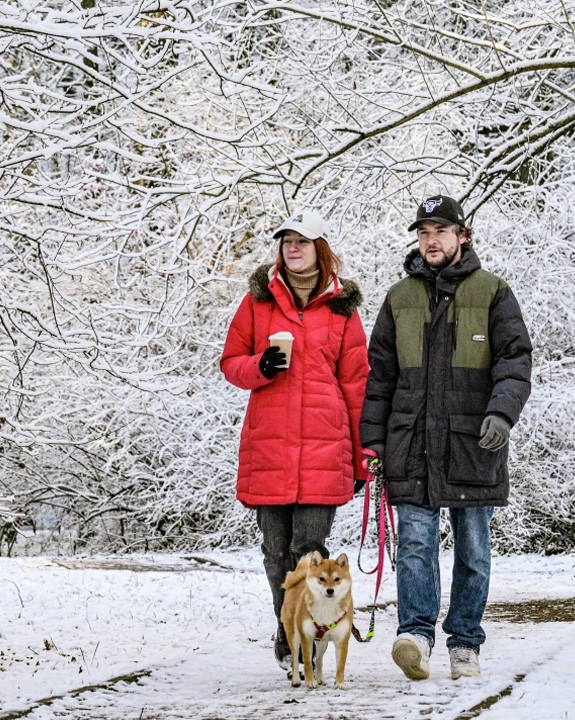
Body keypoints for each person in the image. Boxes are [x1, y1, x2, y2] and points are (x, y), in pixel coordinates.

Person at [359, 194, 532, 681]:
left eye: (440, 231)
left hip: (472, 444)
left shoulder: (493, 292)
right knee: (414, 546)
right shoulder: (399, 297)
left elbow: (515, 361)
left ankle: (465, 642)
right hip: (410, 443)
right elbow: (380, 377)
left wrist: (502, 414)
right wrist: (373, 442)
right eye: (423, 232)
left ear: (462, 236)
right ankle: (415, 636)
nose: (431, 240)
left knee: (473, 550)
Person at [220, 209, 368, 676]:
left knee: (308, 550)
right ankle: (288, 630)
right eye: (286, 241)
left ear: (320, 249)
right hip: (270, 448)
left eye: (302, 241)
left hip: (325, 449)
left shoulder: (342, 309)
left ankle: (303, 642)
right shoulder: (257, 302)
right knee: (275, 553)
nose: (293, 248)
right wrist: (259, 367)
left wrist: (362, 459)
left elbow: (357, 385)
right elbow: (230, 362)